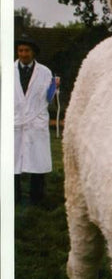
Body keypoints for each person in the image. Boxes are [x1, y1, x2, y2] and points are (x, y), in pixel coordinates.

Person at [14, 34, 58, 205]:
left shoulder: (45, 72)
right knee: (13, 163)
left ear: (33, 53)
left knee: (38, 162)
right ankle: (15, 197)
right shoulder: (8, 70)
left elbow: (48, 98)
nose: (23, 54)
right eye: (20, 50)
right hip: (15, 122)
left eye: (27, 51)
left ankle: (36, 198)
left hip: (35, 123)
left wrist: (55, 88)